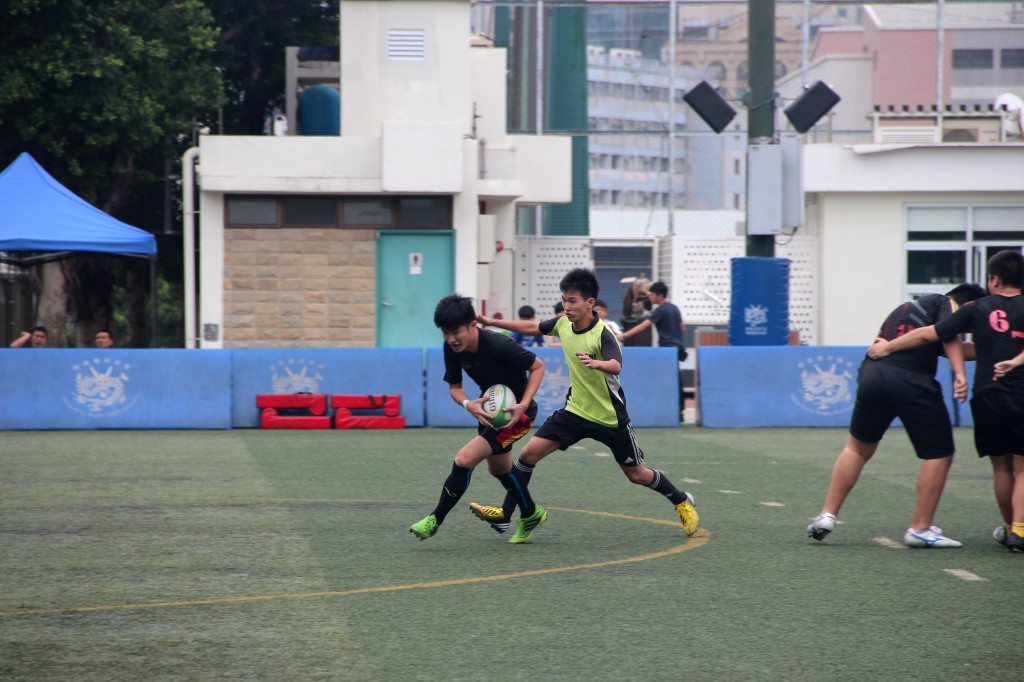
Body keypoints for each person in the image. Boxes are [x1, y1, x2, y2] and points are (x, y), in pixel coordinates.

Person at [472, 268, 700, 543]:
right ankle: (507, 513)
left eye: (573, 301)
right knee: (528, 454)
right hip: (575, 411)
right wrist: (490, 322)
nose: (567, 306)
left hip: (610, 418)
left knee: (637, 474)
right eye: (564, 300)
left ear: (590, 303)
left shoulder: (603, 334)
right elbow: (533, 327)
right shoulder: (562, 324)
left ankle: (681, 500)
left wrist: (597, 364)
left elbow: (616, 364)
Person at [807, 283, 986, 548]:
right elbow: (948, 337)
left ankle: (826, 515)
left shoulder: (912, 309)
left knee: (857, 448)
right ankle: (920, 528)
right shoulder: (945, 303)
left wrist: (1002, 348)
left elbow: (952, 346)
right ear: (969, 305)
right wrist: (960, 375)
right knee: (939, 453)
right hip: (908, 379)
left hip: (872, 374)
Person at [868, 250, 1024, 552]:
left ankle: (1010, 530)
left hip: (987, 395)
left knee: (1002, 468)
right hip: (1021, 393)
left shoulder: (976, 308)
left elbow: (929, 334)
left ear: (994, 280)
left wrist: (889, 347)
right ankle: (1020, 528)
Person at [409, 294, 547, 542]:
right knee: (499, 469)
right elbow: (455, 388)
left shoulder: (498, 345)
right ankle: (530, 513)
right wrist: (468, 404)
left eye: (455, 332)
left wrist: (523, 404)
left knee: (464, 459)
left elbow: (538, 366)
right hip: (490, 413)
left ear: (473, 325)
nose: (451, 338)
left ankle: (434, 519)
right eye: (445, 333)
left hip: (517, 416)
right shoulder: (451, 348)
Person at [616, 282, 687, 418]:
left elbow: (644, 325)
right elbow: (682, 327)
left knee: (667, 381)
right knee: (676, 378)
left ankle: (672, 410)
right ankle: (680, 410)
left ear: (660, 296)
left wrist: (624, 336)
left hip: (667, 349)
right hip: (678, 348)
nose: (650, 297)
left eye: (652, 295)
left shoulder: (660, 310)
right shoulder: (674, 308)